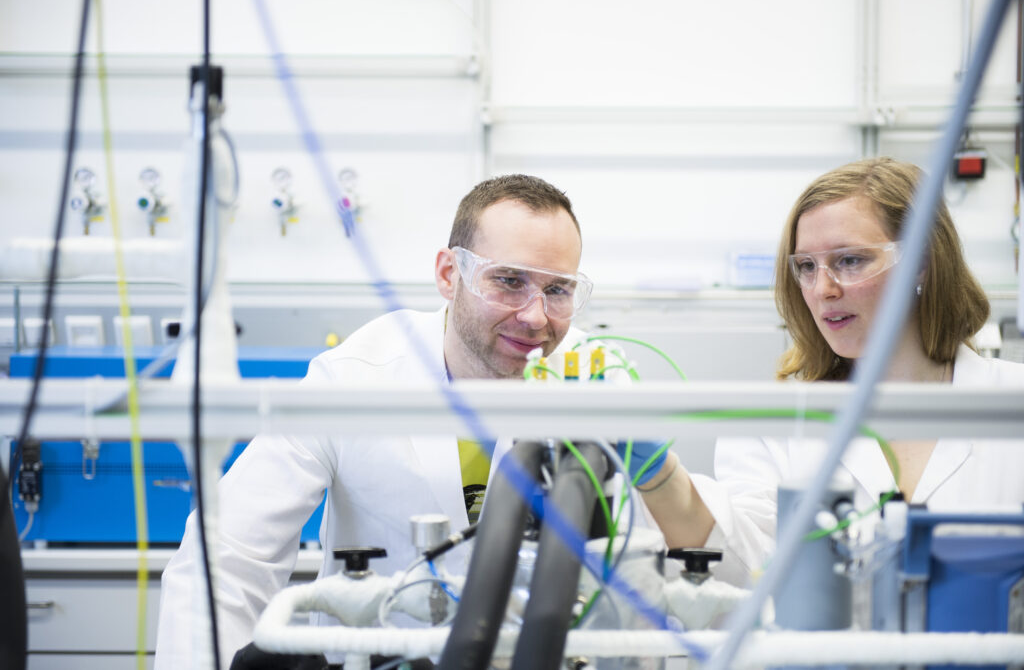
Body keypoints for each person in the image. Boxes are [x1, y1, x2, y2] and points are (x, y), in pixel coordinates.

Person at [155, 174, 602, 668]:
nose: (536, 317)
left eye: (558, 289)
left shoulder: (592, 382)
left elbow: (645, 562)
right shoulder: (356, 377)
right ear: (450, 275)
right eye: (509, 281)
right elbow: (226, 561)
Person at [637, 156, 1024, 587]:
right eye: (806, 266)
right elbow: (742, 567)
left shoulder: (1011, 402)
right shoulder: (776, 422)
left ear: (921, 262)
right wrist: (661, 477)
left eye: (850, 261)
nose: (823, 290)